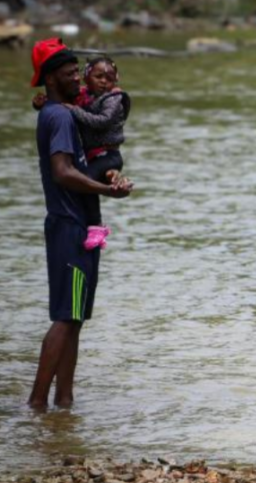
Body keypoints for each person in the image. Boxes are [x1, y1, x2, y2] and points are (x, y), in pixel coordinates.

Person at [28, 38, 133, 409]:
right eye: (72, 74)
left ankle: (64, 405)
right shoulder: (58, 116)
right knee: (65, 317)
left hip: (82, 227)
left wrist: (111, 177)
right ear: (52, 78)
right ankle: (37, 404)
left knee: (75, 319)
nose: (79, 79)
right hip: (69, 227)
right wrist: (108, 194)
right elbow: (63, 172)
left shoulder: (68, 111)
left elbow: (91, 160)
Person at [34, 56, 131, 250]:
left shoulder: (114, 99)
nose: (104, 81)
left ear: (116, 81)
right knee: (87, 180)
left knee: (85, 181)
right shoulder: (85, 95)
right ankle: (94, 221)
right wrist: (41, 103)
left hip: (108, 155)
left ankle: (96, 226)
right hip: (94, 156)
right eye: (99, 76)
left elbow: (100, 121)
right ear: (87, 77)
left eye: (109, 78)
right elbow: (63, 99)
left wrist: (73, 110)